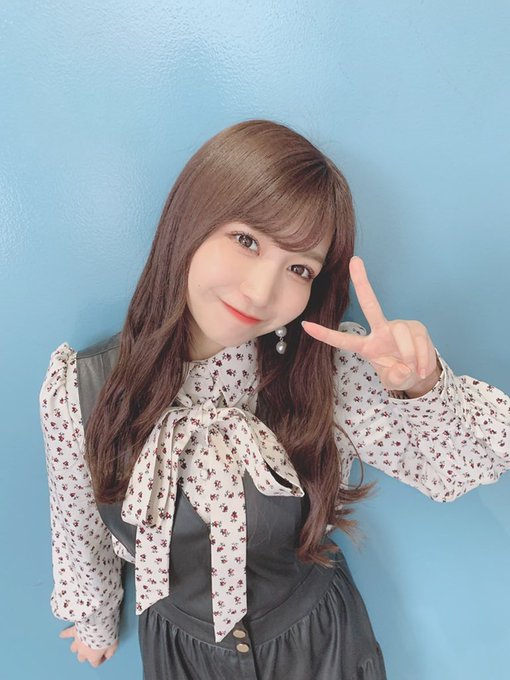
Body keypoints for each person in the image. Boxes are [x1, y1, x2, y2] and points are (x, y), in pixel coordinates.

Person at [40, 119, 510, 679]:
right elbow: (78, 523)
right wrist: (94, 620)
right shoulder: (83, 389)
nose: (261, 291)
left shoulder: (327, 374)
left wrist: (423, 387)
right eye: (246, 240)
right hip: (182, 656)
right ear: (189, 223)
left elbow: (470, 462)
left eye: (298, 268)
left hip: (321, 649)